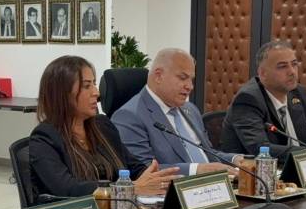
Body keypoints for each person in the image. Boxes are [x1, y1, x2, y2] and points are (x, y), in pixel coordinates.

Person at [29, 55, 178, 200]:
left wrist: (154, 177)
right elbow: (68, 189)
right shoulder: (44, 138)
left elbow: (132, 166)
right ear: (62, 93)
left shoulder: (102, 125)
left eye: (94, 84)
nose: (97, 93)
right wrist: (130, 189)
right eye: (87, 86)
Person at [112, 48, 240, 176]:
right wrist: (196, 170)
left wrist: (235, 160)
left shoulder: (190, 109)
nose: (190, 86)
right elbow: (144, 170)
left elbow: (207, 153)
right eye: (183, 78)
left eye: (191, 79)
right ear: (158, 76)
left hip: (215, 185)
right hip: (175, 187)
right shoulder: (129, 116)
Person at [221, 41, 306, 160]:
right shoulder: (248, 99)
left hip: (298, 167)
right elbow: (260, 148)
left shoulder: (298, 93)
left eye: (294, 64)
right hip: (254, 170)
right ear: (263, 73)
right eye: (282, 66)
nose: (292, 72)